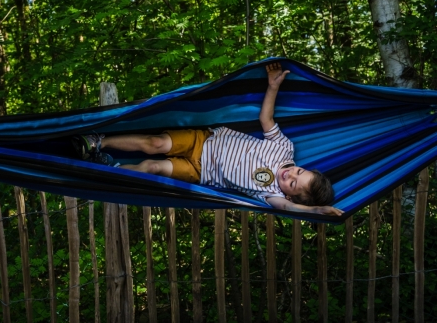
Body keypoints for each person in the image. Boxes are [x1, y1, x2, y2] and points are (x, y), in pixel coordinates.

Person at [74, 63, 343, 216]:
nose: (290, 175)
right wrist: (273, 86)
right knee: (154, 143)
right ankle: (99, 141)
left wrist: (317, 212)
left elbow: (287, 207)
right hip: (204, 141)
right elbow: (266, 120)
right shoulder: (284, 148)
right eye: (298, 172)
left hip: (201, 173)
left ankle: (112, 172)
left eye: (294, 184)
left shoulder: (271, 194)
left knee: (152, 168)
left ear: (290, 194)